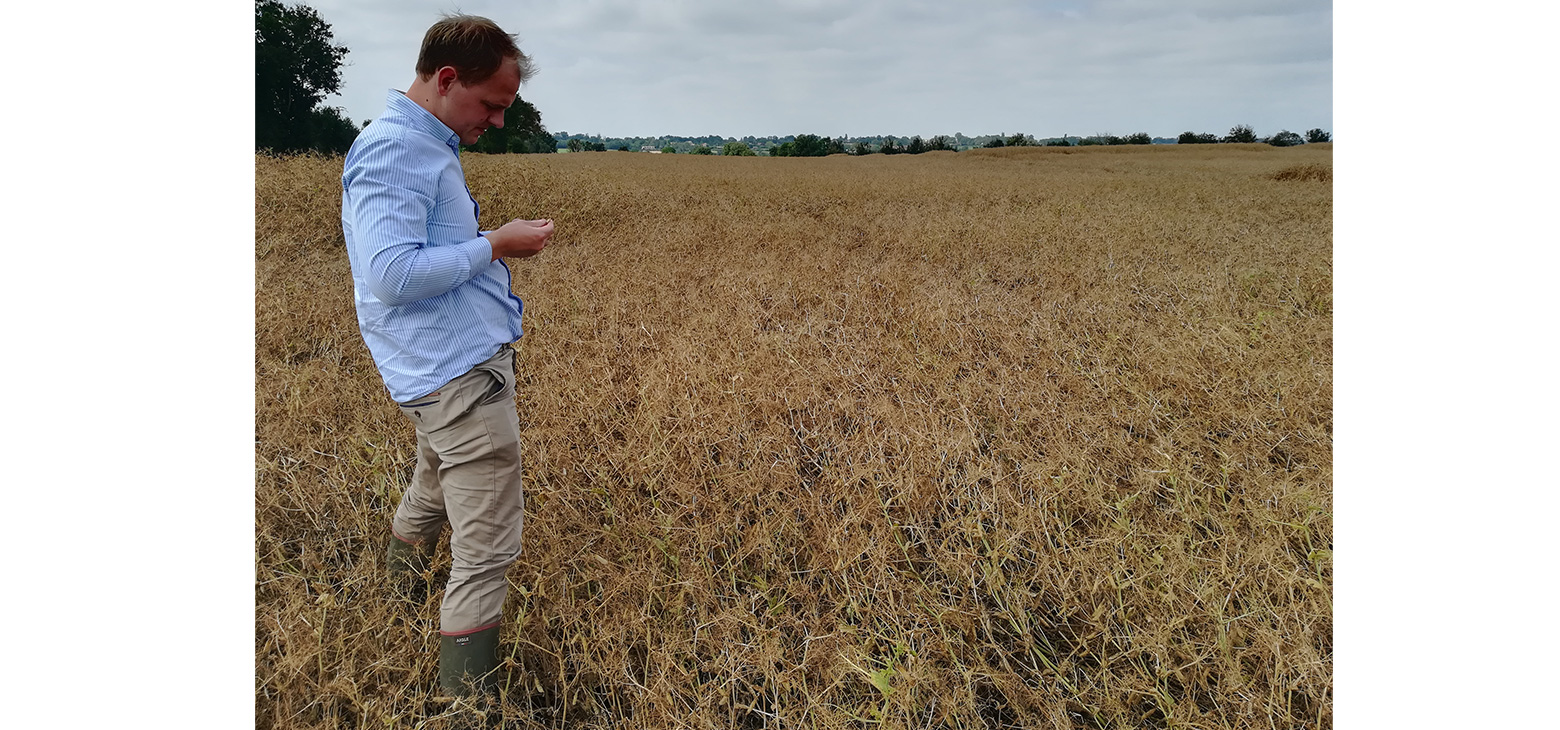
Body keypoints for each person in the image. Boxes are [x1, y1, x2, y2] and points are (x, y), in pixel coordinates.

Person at [340, 13, 553, 696]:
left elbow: (415, 256)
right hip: (453, 378)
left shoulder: (423, 146)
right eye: (490, 104)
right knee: (487, 547)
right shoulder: (396, 150)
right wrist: (495, 243)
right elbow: (393, 276)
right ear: (447, 78)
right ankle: (471, 703)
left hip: (444, 375)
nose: (494, 121)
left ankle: (394, 596)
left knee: (433, 484)